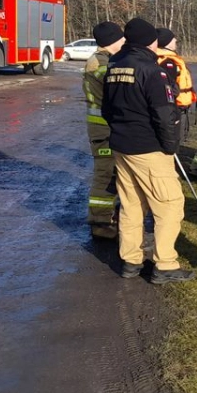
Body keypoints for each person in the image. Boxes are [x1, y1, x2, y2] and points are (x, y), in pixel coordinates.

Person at [102, 18, 194, 284]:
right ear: (149, 41)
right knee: (170, 205)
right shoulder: (152, 71)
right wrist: (169, 147)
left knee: (131, 205)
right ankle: (165, 264)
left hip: (121, 146)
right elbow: (165, 115)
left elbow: (107, 110)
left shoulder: (115, 66)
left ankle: (130, 261)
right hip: (149, 148)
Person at [83, 21, 125, 239]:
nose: (124, 41)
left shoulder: (101, 61)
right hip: (104, 130)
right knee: (105, 176)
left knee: (111, 174)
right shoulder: (103, 65)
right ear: (112, 41)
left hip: (104, 129)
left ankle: (107, 217)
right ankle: (100, 223)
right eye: (121, 38)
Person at [156, 27, 197, 143]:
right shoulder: (167, 62)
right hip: (174, 108)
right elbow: (167, 89)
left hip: (176, 107)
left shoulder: (165, 59)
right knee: (173, 140)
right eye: (173, 39)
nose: (176, 41)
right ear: (167, 42)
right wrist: (172, 111)